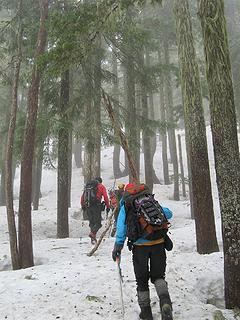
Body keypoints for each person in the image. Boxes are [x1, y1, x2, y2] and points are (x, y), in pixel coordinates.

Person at [112, 183, 173, 320]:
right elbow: (168, 213)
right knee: (159, 277)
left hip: (140, 248)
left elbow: (121, 228)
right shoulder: (149, 201)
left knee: (142, 280)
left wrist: (118, 246)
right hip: (158, 243)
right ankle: (165, 303)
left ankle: (146, 314)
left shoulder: (126, 206)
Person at [81, 177, 110, 244]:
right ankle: (93, 234)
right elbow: (105, 197)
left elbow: (82, 197)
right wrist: (108, 206)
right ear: (100, 181)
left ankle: (93, 239)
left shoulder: (88, 187)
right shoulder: (101, 186)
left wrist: (83, 206)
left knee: (92, 222)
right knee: (98, 223)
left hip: (88, 206)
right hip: (96, 206)